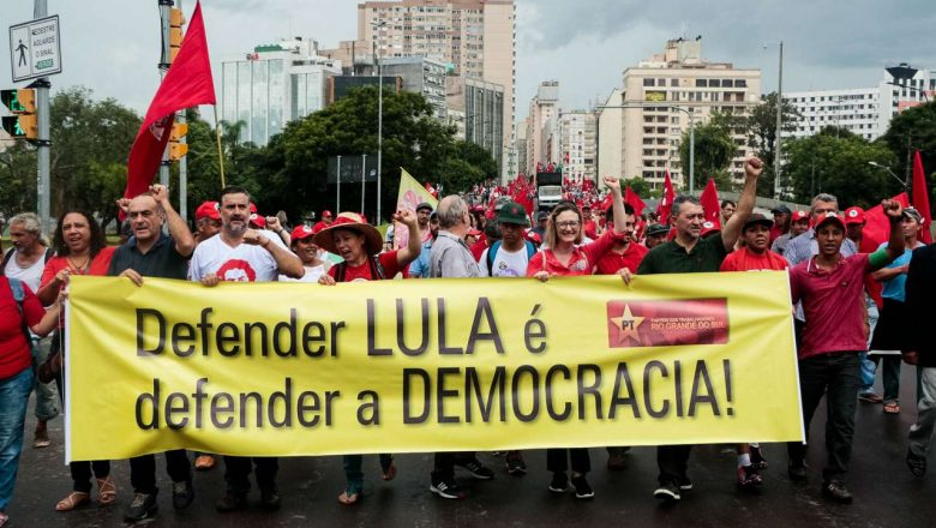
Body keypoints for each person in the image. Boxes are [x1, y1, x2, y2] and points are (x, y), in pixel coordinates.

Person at [638, 157, 762, 503]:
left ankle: (679, 472)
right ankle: (668, 478)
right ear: (673, 220)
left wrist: (751, 178)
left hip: (708, 346)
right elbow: (633, 294)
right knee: (672, 412)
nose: (697, 221)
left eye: (700, 216)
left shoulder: (714, 247)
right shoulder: (657, 257)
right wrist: (623, 278)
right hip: (669, 348)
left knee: (692, 412)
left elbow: (742, 213)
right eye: (690, 217)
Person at [189, 186, 303, 513]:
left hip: (264, 351)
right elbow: (188, 299)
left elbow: (296, 270)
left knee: (265, 422)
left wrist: (266, 242)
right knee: (230, 422)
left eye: (242, 206)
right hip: (224, 354)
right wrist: (206, 288)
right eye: (230, 207)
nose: (237, 212)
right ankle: (235, 487)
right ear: (220, 212)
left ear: (250, 210)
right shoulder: (204, 250)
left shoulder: (268, 240)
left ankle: (268, 485)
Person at [788, 201, 905, 505]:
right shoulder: (800, 273)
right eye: (824, 232)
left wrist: (895, 222)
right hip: (812, 356)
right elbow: (783, 309)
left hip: (848, 358)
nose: (830, 238)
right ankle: (796, 457)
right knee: (802, 415)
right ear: (816, 237)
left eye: (835, 233)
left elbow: (894, 250)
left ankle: (835, 478)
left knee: (842, 420)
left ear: (843, 238)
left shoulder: (857, 264)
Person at [527, 175, 630, 500]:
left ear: (581, 226)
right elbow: (522, 297)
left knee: (580, 410)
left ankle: (580, 474)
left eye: (574, 223)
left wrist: (615, 193)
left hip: (583, 345)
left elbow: (619, 232)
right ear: (553, 227)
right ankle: (558, 473)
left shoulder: (588, 255)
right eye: (563, 224)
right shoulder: (540, 259)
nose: (569, 228)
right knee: (556, 411)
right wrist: (535, 282)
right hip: (550, 347)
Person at [316, 210, 422, 504]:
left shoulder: (382, 264)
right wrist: (323, 291)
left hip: (380, 358)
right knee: (350, 422)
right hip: (348, 361)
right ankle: (354, 483)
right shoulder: (334, 273)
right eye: (337, 240)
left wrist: (412, 225)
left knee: (379, 416)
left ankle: (385, 458)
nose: (342, 245)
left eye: (347, 239)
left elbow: (414, 251)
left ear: (362, 239)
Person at [106, 185, 197, 522]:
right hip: (132, 352)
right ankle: (144, 491)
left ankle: (180, 477)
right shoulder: (121, 253)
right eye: (134, 215)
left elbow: (187, 245)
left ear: (160, 217)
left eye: (147, 213)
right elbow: (107, 298)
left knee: (172, 418)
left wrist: (164, 202)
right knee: (139, 422)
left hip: (172, 350)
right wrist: (118, 283)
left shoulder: (172, 246)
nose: (140, 220)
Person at [37, 210, 117, 512]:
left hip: (101, 339)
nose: (73, 231)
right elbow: (42, 299)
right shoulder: (56, 262)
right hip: (67, 340)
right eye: (67, 227)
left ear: (91, 229)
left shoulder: (110, 255)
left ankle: (104, 477)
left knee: (97, 412)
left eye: (79, 225)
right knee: (73, 414)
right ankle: (80, 486)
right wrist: (55, 283)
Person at [427, 196, 496, 499]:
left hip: (457, 338)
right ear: (465, 216)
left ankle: (463, 456)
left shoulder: (447, 245)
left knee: (463, 405)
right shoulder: (453, 249)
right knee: (453, 408)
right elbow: (460, 297)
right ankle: (441, 475)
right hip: (459, 340)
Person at [720, 213, 788, 489]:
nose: (760, 234)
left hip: (770, 343)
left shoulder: (780, 263)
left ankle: (756, 443)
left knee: (763, 397)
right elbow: (721, 299)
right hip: (741, 341)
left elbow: (787, 301)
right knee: (742, 400)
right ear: (744, 235)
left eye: (764, 229)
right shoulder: (732, 262)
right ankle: (744, 462)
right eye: (753, 230)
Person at [0, 267, 65, 528]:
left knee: (6, 443)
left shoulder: (15, 289)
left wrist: (60, 304)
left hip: (13, 378)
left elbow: (39, 326)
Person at [594, 203, 647, 470]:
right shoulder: (598, 255)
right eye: (623, 224)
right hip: (607, 336)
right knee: (612, 392)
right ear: (610, 225)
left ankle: (628, 437)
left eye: (632, 224)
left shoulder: (645, 254)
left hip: (642, 336)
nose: (629, 229)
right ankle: (614, 446)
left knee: (636, 390)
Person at [0, 213, 57, 449]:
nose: (14, 239)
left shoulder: (50, 257)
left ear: (34, 235)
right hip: (15, 331)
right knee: (17, 382)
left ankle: (42, 422)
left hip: (44, 328)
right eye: (12, 234)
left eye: (19, 234)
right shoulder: (9, 256)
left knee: (44, 383)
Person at [869, 207, 927, 414]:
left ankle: (924, 402)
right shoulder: (887, 248)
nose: (904, 225)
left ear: (919, 226)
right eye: (901, 221)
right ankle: (890, 398)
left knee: (923, 355)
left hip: (918, 310)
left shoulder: (925, 251)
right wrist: (901, 269)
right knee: (891, 355)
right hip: (893, 306)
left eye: (909, 221)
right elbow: (875, 275)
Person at [903, 230, 936, 477]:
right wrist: (910, 344)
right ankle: (917, 448)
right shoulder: (924, 257)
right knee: (932, 402)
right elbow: (912, 303)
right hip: (932, 345)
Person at [409, 212, 439, 279]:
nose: (438, 226)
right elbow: (413, 276)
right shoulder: (421, 249)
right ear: (429, 225)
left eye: (442, 223)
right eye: (434, 222)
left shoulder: (454, 247)